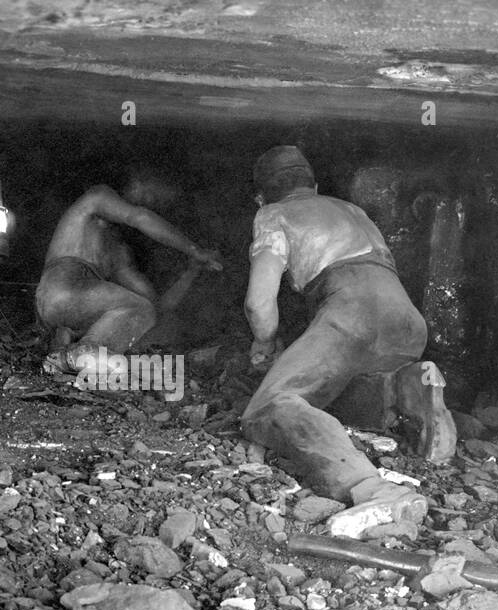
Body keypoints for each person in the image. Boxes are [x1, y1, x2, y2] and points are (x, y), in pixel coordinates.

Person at [241, 145, 457, 523]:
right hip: (406, 321)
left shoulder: (274, 214)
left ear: (261, 196)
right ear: (315, 184)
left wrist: (264, 342)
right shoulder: (350, 210)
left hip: (353, 311)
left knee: (271, 405)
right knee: (351, 388)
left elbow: (259, 303)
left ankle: (368, 486)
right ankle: (410, 383)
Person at [37, 173, 223, 373]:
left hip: (67, 308)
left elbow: (152, 306)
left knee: (143, 312)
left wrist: (191, 271)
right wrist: (194, 249)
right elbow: (139, 217)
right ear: (135, 181)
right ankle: (82, 352)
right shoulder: (96, 197)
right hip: (62, 286)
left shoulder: (115, 249)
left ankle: (66, 353)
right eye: (151, 191)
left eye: (157, 201)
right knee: (138, 314)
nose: (152, 201)